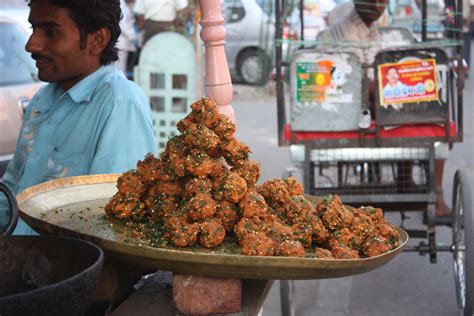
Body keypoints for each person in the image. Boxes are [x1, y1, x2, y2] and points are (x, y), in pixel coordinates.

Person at [0, 0, 157, 235]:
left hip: (69, 267)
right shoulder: (42, 100)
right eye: (34, 29)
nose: (32, 45)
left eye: (51, 32)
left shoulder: (119, 103)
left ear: (97, 40)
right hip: (18, 259)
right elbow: (11, 192)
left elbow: (117, 223)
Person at [321, 0, 452, 219]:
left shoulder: (370, 28)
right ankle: (433, 195)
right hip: (348, 101)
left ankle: (411, 180)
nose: (377, 7)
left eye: (382, 2)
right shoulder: (346, 28)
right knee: (414, 103)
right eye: (373, 2)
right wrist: (397, 86)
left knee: (430, 108)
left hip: (367, 94)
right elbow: (356, 82)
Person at [117, 0, 138, 77]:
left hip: (122, 43)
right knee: (120, 71)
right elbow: (124, 26)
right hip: (121, 44)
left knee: (121, 70)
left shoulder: (123, 5)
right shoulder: (121, 6)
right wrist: (135, 38)